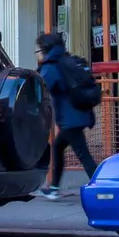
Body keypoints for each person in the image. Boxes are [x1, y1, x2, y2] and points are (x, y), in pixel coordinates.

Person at [35, 32, 96, 200]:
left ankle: (101, 185)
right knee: (58, 146)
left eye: (38, 50)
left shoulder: (51, 67)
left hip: (71, 119)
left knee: (83, 154)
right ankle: (54, 186)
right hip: (78, 115)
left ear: (45, 49)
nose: (37, 53)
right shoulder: (65, 60)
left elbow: (39, 88)